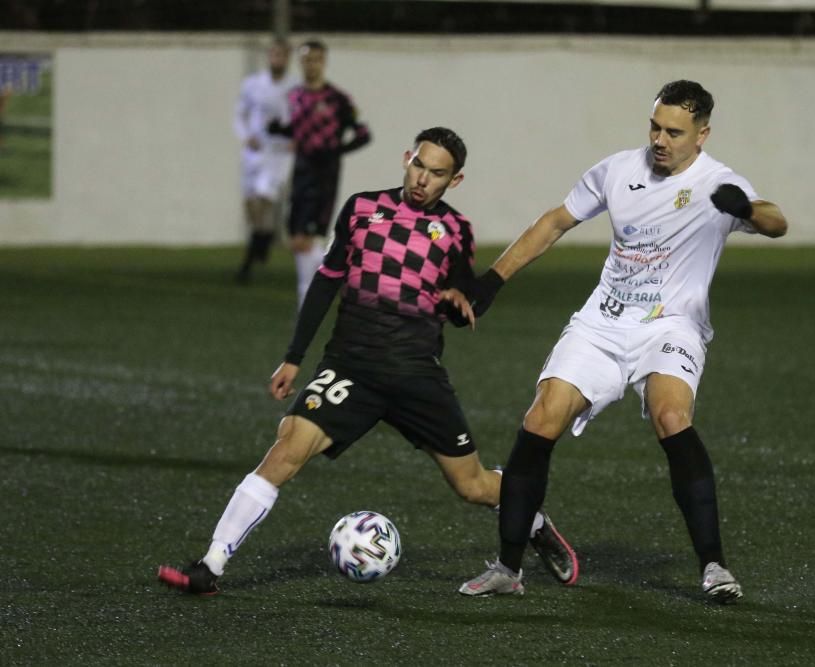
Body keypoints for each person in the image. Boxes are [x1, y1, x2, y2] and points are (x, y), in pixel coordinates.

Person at [158, 127, 578, 595]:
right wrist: (294, 357)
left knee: (473, 485)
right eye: (418, 165)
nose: (423, 179)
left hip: (415, 373)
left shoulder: (456, 231)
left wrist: (459, 301)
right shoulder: (360, 209)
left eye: (437, 173)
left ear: (454, 181)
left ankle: (533, 521)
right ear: (406, 159)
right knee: (285, 451)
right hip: (351, 367)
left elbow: (463, 305)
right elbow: (325, 281)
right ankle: (210, 566)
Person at [456, 80, 788, 602]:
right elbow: (554, 222)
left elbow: (776, 222)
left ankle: (715, 568)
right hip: (604, 321)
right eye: (655, 126)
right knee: (542, 416)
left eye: (674, 132)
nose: (660, 139)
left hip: (672, 324)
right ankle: (507, 568)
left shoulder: (718, 182)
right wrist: (492, 281)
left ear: (701, 135)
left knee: (670, 415)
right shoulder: (617, 170)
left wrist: (744, 209)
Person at [271, 39, 372, 308]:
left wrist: (337, 151)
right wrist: (276, 130)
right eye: (306, 59)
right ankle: (345, 276)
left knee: (308, 236)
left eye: (316, 59)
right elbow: (293, 129)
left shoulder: (338, 99)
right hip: (302, 169)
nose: (311, 64)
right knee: (296, 236)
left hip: (325, 172)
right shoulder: (294, 97)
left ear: (324, 62)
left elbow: (363, 133)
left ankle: (309, 298)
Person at [233, 40, 298, 284]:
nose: (277, 59)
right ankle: (264, 238)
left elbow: (300, 119)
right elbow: (240, 114)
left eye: (281, 55)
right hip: (254, 151)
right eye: (274, 54)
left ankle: (247, 264)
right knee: (251, 206)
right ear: (269, 57)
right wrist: (245, 136)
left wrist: (296, 139)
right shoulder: (253, 84)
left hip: (279, 153)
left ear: (287, 58)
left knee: (263, 201)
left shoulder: (295, 87)